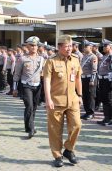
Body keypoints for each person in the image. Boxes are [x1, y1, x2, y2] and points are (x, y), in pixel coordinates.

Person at [43, 34, 82, 167]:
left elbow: (78, 79)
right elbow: (47, 80)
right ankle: (57, 155)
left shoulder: (75, 60)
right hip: (56, 101)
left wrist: (80, 95)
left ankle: (69, 149)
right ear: (59, 47)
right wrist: (48, 99)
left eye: (71, 46)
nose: (69, 48)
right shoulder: (51, 61)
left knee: (77, 125)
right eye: (66, 46)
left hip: (73, 100)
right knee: (55, 130)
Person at [13, 36, 45, 139]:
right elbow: (17, 74)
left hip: (37, 85)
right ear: (27, 46)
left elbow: (44, 73)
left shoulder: (41, 59)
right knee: (29, 106)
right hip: (26, 85)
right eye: (31, 45)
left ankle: (29, 125)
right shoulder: (22, 59)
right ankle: (31, 129)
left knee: (34, 107)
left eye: (35, 45)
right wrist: (14, 88)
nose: (34, 47)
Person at [97, 39, 112, 126]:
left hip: (108, 81)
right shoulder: (104, 56)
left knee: (109, 100)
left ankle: (110, 118)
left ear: (110, 47)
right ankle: (106, 117)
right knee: (104, 99)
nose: (104, 47)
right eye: (104, 46)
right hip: (102, 80)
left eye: (106, 46)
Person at [80, 40, 98, 120]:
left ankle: (91, 112)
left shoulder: (93, 57)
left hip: (90, 79)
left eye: (86, 47)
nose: (84, 48)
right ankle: (87, 111)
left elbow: (94, 70)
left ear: (90, 47)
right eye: (84, 46)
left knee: (90, 96)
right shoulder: (84, 56)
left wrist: (92, 80)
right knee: (85, 96)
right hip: (84, 78)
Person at [91, 42, 103, 111]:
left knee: (98, 91)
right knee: (95, 91)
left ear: (96, 47)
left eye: (92, 47)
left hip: (98, 75)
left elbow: (101, 67)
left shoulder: (99, 55)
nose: (91, 48)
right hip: (95, 75)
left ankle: (97, 104)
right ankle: (95, 104)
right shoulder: (93, 55)